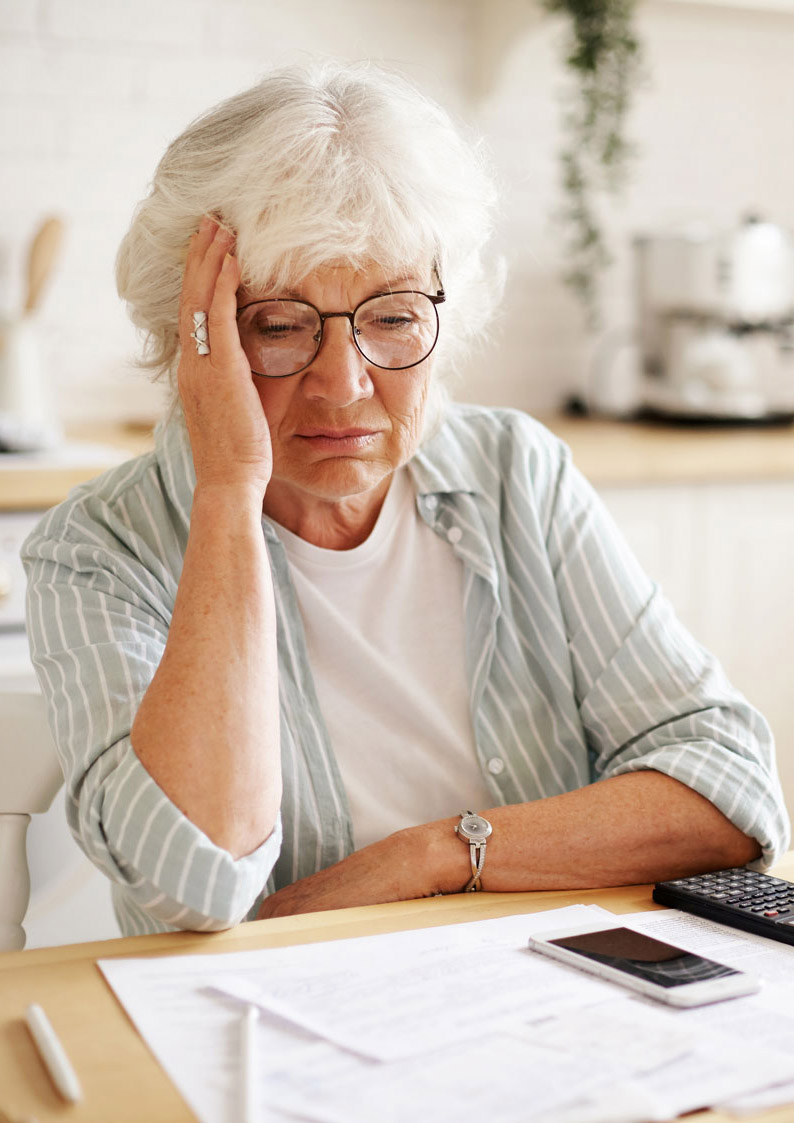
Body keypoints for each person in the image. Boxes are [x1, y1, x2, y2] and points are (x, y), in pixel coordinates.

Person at [23, 61, 789, 938]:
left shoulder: (515, 473)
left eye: (391, 317)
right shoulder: (97, 547)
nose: (344, 383)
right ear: (191, 336)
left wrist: (435, 855)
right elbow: (190, 886)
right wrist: (229, 491)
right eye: (279, 325)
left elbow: (731, 794)